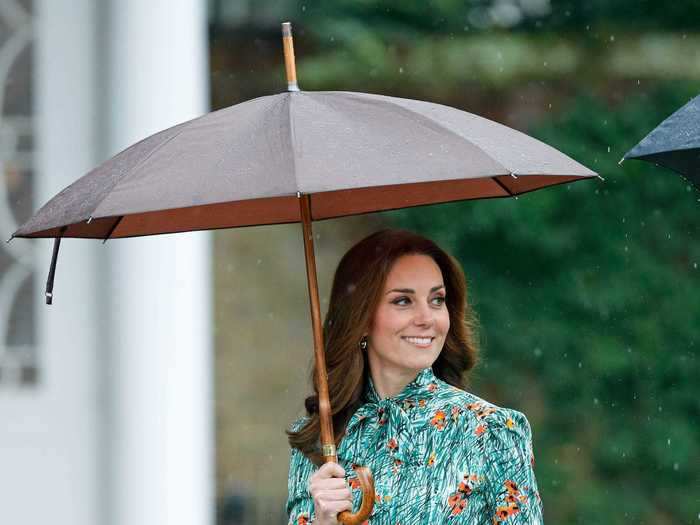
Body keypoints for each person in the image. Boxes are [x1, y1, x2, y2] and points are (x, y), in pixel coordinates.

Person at [285, 229, 543, 524]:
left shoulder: (491, 432)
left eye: (437, 300)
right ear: (361, 318)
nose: (426, 318)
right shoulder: (319, 439)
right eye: (403, 301)